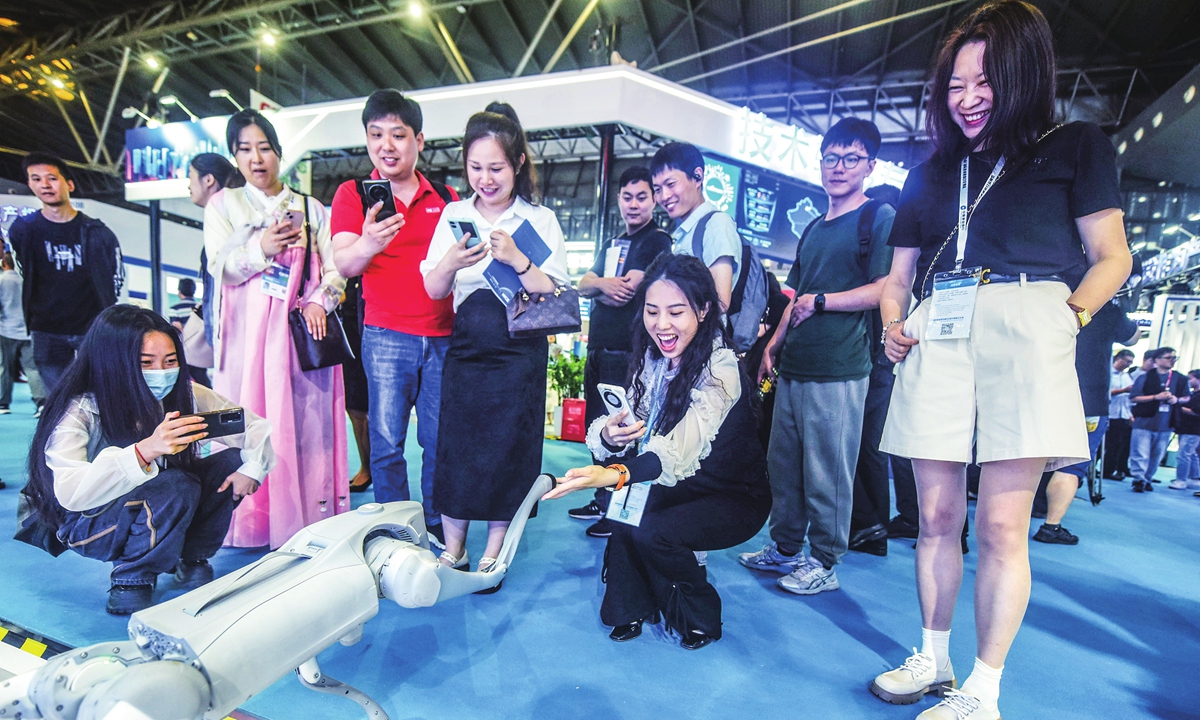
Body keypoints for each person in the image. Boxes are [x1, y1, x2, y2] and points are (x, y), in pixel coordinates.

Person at [871, 3, 1132, 718]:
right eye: (954, 86)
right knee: (933, 515)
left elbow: (1113, 257)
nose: (968, 98)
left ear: (1023, 76)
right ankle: (933, 654)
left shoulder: (1074, 144)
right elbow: (899, 278)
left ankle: (982, 687)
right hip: (939, 324)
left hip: (1029, 321)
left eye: (984, 81)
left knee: (1000, 525)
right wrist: (895, 322)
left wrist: (1068, 318)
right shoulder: (929, 172)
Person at [542, 254, 770, 650]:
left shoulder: (722, 367)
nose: (661, 325)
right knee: (624, 513)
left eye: (676, 312)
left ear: (702, 310)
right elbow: (633, 424)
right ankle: (631, 608)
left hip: (732, 496)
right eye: (652, 311)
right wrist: (612, 436)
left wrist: (611, 475)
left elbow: (678, 450)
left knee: (654, 530)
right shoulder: (652, 360)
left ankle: (697, 615)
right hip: (679, 482)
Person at [22, 305, 273, 614]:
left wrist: (253, 468)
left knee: (228, 463)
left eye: (170, 361)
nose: (162, 372)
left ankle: (192, 557)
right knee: (175, 484)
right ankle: (132, 576)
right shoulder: (82, 410)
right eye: (146, 362)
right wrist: (145, 451)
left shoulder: (187, 395)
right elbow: (72, 494)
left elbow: (252, 426)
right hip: (87, 521)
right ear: (113, 362)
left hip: (161, 497)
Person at [738, 117, 894, 594]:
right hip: (795, 367)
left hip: (841, 367)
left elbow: (888, 289)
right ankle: (785, 549)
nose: (838, 167)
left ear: (869, 164)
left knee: (828, 470)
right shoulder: (813, 227)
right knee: (784, 466)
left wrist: (825, 301)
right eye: (831, 157)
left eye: (850, 158)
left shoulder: (878, 218)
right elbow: (798, 295)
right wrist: (772, 345)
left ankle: (824, 561)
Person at [421, 102, 569, 577]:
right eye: (476, 167)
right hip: (468, 346)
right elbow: (433, 288)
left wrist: (520, 261)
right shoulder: (453, 214)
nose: (486, 178)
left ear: (518, 164)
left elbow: (556, 288)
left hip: (520, 349)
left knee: (510, 444)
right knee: (457, 445)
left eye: (497, 168)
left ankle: (496, 548)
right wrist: (451, 262)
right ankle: (455, 545)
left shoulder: (539, 218)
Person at [205, 109, 349, 548]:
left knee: (304, 428)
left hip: (299, 335)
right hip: (246, 340)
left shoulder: (312, 208)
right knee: (244, 421)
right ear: (235, 157)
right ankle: (247, 522)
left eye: (264, 147)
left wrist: (320, 302)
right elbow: (220, 268)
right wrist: (261, 248)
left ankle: (305, 517)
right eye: (245, 150)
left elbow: (338, 269)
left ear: (279, 153)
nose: (256, 158)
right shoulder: (223, 205)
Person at [331, 90, 459, 543]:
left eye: (398, 135)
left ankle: (436, 526)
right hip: (385, 336)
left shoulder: (445, 197)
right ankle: (392, 532)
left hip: (444, 337)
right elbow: (345, 265)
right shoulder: (352, 195)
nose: (387, 145)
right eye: (376, 134)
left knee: (439, 445)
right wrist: (369, 240)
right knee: (386, 445)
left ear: (418, 140)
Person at [570, 166, 671, 539]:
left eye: (641, 196)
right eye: (627, 197)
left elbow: (631, 287)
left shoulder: (658, 241)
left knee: (621, 431)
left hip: (626, 352)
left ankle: (618, 512)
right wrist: (600, 283)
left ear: (654, 199)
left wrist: (602, 285)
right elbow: (582, 285)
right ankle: (601, 497)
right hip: (597, 346)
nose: (633, 204)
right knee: (596, 429)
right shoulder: (614, 243)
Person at [7, 152, 124, 393]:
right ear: (29, 184)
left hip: (91, 328)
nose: (44, 185)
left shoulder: (97, 232)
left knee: (100, 395)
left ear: (68, 184)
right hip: (46, 329)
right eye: (36, 179)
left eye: (52, 178)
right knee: (58, 401)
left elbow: (116, 276)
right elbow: (23, 271)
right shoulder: (23, 230)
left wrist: (107, 319)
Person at [1033, 301, 1138, 544]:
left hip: (1044, 392)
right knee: (1070, 466)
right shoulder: (1107, 308)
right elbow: (1133, 337)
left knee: (1028, 459)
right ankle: (1051, 526)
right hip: (1089, 399)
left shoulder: (1053, 297)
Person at [649, 142, 740, 311]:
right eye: (657, 189)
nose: (665, 196)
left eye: (670, 184)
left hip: (707, 337)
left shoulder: (716, 224)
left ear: (698, 176)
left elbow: (720, 302)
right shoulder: (687, 231)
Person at [1128, 346, 1189, 493]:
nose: (1172, 361)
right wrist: (1155, 397)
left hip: (1166, 423)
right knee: (1140, 453)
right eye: (1168, 357)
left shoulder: (1180, 378)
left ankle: (1148, 478)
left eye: (1174, 358)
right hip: (1144, 421)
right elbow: (1134, 397)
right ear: (1157, 360)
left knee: (1157, 455)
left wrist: (1177, 400)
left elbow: (1187, 397)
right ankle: (1139, 479)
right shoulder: (1144, 377)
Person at [0, 252, 46, 416]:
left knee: (6, 369)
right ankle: (41, 403)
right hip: (26, 331)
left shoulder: (2, 280)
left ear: (4, 264)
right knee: (32, 369)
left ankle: (3, 404)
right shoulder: (24, 281)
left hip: (6, 330)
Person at [1103, 348, 1136, 480]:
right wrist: (1123, 390)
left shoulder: (1127, 376)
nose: (1129, 364)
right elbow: (1105, 393)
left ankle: (1109, 470)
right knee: (1103, 445)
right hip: (1109, 413)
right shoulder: (1107, 373)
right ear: (1119, 358)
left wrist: (1130, 414)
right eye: (1127, 361)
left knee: (1116, 446)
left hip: (1123, 415)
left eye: (1131, 362)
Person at [1169, 370, 1200, 491]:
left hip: (1192, 429)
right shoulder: (1192, 395)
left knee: (1184, 455)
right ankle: (1194, 477)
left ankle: (1181, 479)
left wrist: (1178, 407)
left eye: (1190, 378)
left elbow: (1196, 412)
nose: (1188, 381)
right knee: (1191, 454)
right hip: (1186, 428)